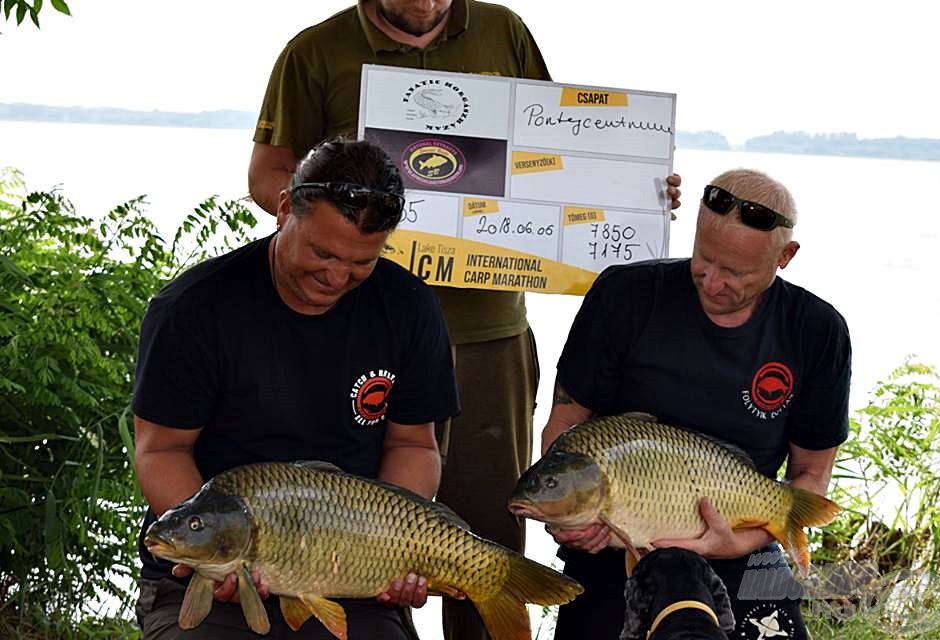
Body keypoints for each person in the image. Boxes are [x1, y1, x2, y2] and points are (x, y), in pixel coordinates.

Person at [247, 3, 680, 637]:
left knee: (487, 534)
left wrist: (632, 191)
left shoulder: (504, 31)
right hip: (361, 331)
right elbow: (268, 178)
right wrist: (355, 215)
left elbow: (561, 149)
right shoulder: (314, 52)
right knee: (352, 531)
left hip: (487, 335)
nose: (428, 4)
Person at [133, 139, 460, 639]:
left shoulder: (408, 307)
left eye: (361, 263)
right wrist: (221, 556)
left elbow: (413, 444)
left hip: (352, 575)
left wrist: (399, 548)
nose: (335, 276)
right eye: (322, 251)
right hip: (210, 572)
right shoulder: (194, 308)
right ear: (285, 208)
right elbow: (161, 449)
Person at [540, 169, 851, 640]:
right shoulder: (626, 294)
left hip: (744, 547)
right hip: (617, 539)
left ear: (785, 256)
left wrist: (737, 542)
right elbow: (564, 426)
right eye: (704, 260)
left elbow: (810, 473)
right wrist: (571, 516)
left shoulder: (817, 330)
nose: (713, 282)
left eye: (736, 273)